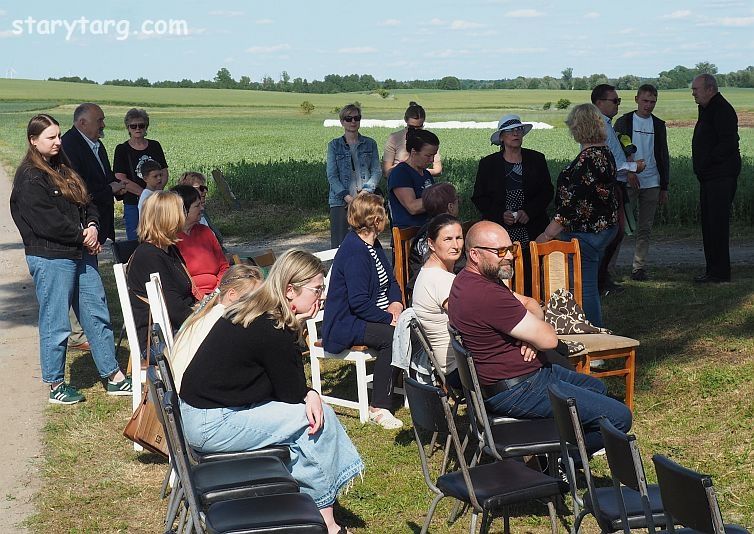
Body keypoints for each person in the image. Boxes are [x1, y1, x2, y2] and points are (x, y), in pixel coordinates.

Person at [179, 250, 364, 534]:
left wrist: (308, 392)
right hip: (211, 423)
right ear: (290, 290)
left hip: (204, 414)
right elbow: (291, 394)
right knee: (316, 419)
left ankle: (311, 508)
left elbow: (286, 388)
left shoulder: (260, 310)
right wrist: (311, 393)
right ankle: (326, 522)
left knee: (310, 416)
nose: (322, 295)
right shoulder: (271, 326)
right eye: (317, 288)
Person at [448, 221, 631, 454]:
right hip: (517, 389)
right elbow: (549, 340)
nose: (510, 257)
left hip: (523, 377)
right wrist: (535, 335)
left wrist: (529, 335)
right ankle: (564, 461)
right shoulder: (487, 294)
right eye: (500, 252)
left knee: (596, 387)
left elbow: (529, 303)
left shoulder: (467, 280)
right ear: (474, 254)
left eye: (511, 249)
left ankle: (557, 449)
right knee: (620, 418)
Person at [10, 114, 132, 404]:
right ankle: (55, 384)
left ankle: (113, 376)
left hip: (80, 253)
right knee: (56, 322)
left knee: (96, 313)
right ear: (33, 140)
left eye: (58, 135)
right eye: (50, 137)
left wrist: (92, 226)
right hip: (51, 258)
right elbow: (47, 223)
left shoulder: (64, 168)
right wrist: (82, 236)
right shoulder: (29, 177)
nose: (57, 142)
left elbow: (87, 201)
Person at [322, 193, 405, 429]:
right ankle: (379, 406)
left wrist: (396, 304)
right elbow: (357, 303)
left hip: (371, 315)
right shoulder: (355, 252)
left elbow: (391, 282)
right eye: (383, 213)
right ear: (375, 220)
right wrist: (389, 319)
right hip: (346, 323)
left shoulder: (373, 245)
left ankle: (402, 384)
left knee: (410, 324)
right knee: (391, 337)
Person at [535, 103, 618, 327]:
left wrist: (547, 233)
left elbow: (572, 204)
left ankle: (593, 337)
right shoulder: (605, 152)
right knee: (585, 283)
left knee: (584, 286)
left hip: (587, 231)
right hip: (604, 226)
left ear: (579, 127)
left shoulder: (587, 160)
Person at [472, 114, 554, 294]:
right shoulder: (488, 164)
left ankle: (532, 300)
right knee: (501, 269)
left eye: (519, 130)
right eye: (510, 131)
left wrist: (529, 211)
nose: (516, 134)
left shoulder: (536, 159)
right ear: (502, 137)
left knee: (532, 268)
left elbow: (547, 191)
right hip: (500, 227)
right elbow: (479, 197)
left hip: (531, 225)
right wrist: (500, 214)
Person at [170, 264, 263, 393]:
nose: (259, 305)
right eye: (255, 299)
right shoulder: (225, 322)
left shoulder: (208, 313)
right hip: (194, 395)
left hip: (184, 390)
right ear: (232, 294)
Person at [127, 191, 199, 359]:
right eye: (181, 211)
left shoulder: (168, 248)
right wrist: (204, 320)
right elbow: (174, 308)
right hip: (159, 340)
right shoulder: (149, 256)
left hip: (178, 328)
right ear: (168, 217)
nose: (185, 214)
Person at [590, 85, 645, 295]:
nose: (618, 105)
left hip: (614, 184)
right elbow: (606, 162)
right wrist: (634, 167)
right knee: (610, 234)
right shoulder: (599, 128)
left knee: (615, 233)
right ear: (599, 103)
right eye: (615, 101)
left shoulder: (605, 124)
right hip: (607, 186)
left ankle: (602, 278)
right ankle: (599, 280)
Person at [614, 84, 670, 282]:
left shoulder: (659, 125)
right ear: (636, 99)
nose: (649, 105)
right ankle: (609, 269)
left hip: (652, 181)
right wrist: (629, 172)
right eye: (645, 101)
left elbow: (663, 155)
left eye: (653, 102)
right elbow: (616, 150)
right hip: (629, 180)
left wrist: (664, 186)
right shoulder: (624, 121)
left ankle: (639, 268)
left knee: (645, 228)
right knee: (619, 226)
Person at [691, 74, 741, 283]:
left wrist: (707, 162)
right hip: (710, 177)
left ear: (710, 89)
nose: (693, 93)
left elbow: (729, 142)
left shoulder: (722, 109)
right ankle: (713, 270)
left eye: (696, 89)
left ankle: (719, 273)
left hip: (720, 176)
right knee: (710, 225)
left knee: (717, 225)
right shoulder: (707, 108)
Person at [412, 214, 464, 388]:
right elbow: (471, 320)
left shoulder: (428, 272)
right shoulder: (439, 280)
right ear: (431, 244)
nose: (456, 245)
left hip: (452, 366)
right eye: (448, 239)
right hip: (459, 370)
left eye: (459, 238)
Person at [326, 103, 381, 248]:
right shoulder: (334, 145)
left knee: (367, 242)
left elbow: (376, 171)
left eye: (356, 118)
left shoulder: (370, 143)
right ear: (342, 121)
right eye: (348, 118)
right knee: (340, 245)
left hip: (365, 200)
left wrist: (364, 193)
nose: (353, 122)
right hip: (340, 201)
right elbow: (332, 176)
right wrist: (349, 199)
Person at [113, 108, 169, 241]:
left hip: (157, 200)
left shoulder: (155, 146)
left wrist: (157, 191)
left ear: (146, 127)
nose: (137, 128)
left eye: (141, 125)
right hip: (133, 201)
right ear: (128, 128)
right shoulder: (122, 149)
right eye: (133, 126)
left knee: (159, 237)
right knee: (136, 239)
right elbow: (120, 178)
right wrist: (145, 194)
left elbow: (164, 171)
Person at [171, 185, 229, 296]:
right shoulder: (171, 239)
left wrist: (218, 290)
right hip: (192, 298)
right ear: (183, 210)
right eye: (197, 206)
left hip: (218, 293)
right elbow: (178, 281)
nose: (202, 209)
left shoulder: (206, 232)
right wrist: (203, 298)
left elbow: (223, 266)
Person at [407, 182, 464, 291]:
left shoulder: (427, 228)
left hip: (423, 285)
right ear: (451, 207)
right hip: (434, 289)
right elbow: (459, 266)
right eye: (457, 200)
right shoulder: (445, 232)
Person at [387, 128, 439, 229]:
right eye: (428, 156)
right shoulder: (400, 173)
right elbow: (413, 207)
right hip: (409, 234)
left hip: (427, 229)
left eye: (434, 155)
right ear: (414, 152)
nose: (432, 160)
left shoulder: (426, 174)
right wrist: (441, 198)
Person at [383, 101, 442, 178]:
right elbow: (386, 171)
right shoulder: (394, 138)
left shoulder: (428, 140)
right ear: (405, 120)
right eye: (411, 127)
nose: (415, 130)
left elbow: (438, 170)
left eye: (419, 127)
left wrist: (419, 171)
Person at [179, 171, 223, 244]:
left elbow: (217, 243)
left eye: (204, 187)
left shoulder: (202, 216)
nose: (205, 191)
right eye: (200, 188)